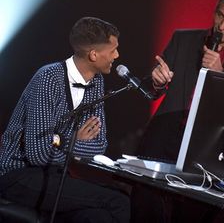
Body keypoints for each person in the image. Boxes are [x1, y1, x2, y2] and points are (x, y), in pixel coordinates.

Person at [131, 0, 224, 223]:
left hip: (205, 153)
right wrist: (157, 80)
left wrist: (220, 77)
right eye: (219, 15)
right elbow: (150, 91)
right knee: (145, 214)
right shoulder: (183, 39)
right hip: (163, 140)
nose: (222, 26)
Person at [0, 17, 130, 223]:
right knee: (118, 201)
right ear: (93, 54)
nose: (117, 55)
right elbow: (38, 154)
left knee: (99, 217)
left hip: (55, 175)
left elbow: (99, 145)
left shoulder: (96, 83)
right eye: (113, 49)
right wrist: (74, 140)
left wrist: (59, 140)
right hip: (18, 174)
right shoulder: (48, 78)